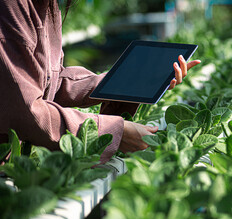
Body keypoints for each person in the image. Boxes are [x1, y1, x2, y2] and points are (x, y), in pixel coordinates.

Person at [0, 0, 201, 162]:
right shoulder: (10, 6)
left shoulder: (48, 5)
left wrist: (126, 82)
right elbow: (25, 111)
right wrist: (113, 131)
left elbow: (51, 80)